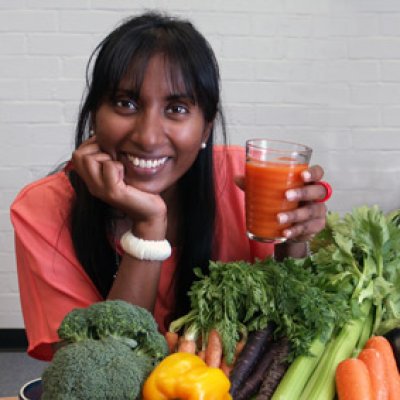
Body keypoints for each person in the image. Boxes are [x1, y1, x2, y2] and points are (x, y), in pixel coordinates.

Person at [10, 12, 330, 361]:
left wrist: (295, 245)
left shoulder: (243, 178)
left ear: (206, 128)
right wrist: (148, 227)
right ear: (94, 115)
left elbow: (291, 329)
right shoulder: (42, 209)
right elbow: (97, 374)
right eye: (125, 103)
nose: (147, 137)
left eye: (176, 108)